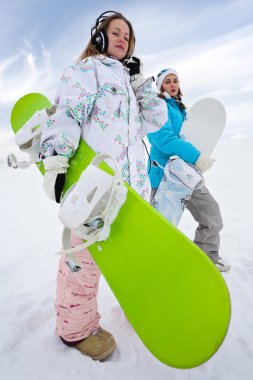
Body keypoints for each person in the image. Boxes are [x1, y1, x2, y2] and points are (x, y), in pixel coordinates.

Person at [40, 11, 167, 360]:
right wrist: (56, 160)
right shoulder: (86, 71)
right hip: (96, 189)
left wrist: (141, 84)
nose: (123, 39)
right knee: (84, 260)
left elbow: (156, 120)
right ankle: (75, 328)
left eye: (128, 35)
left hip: (133, 191)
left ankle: (135, 305)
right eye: (116, 32)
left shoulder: (129, 83)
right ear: (98, 37)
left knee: (133, 257)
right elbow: (67, 114)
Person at [147, 68, 231, 273]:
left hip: (186, 173)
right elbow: (163, 139)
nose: (173, 84)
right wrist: (196, 156)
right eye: (167, 82)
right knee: (161, 227)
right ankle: (154, 268)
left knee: (211, 213)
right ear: (160, 87)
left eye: (175, 80)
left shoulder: (180, 109)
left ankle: (206, 256)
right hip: (165, 176)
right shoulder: (157, 108)